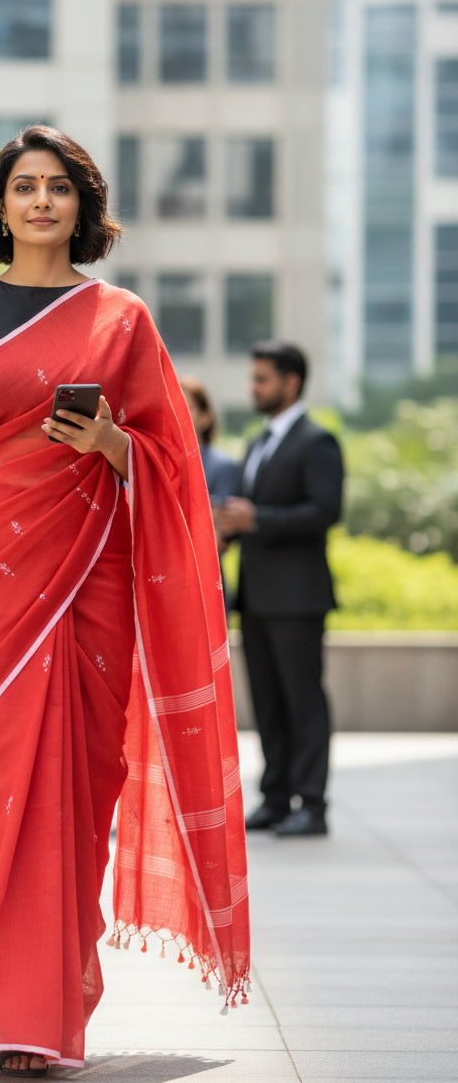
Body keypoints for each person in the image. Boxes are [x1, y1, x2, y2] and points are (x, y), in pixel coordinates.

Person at [0, 125, 250, 1076]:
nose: (41, 202)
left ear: (83, 207)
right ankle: (3, 1004)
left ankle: (49, 1007)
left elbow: (170, 463)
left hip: (87, 577)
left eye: (59, 188)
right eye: (23, 187)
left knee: (79, 789)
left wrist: (107, 447)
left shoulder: (121, 319)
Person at [214, 341, 344, 838]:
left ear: (291, 382)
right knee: (268, 701)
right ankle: (275, 796)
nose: (254, 388)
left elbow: (325, 511)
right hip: (258, 596)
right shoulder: (258, 441)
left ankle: (312, 804)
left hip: (298, 598)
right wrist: (230, 525)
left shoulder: (317, 442)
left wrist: (257, 518)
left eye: (262, 379)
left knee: (303, 700)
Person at [179, 375, 238, 610]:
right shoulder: (155, 463)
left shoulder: (222, 466)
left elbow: (220, 535)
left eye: (188, 406)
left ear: (206, 417)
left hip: (205, 587)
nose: (179, 412)